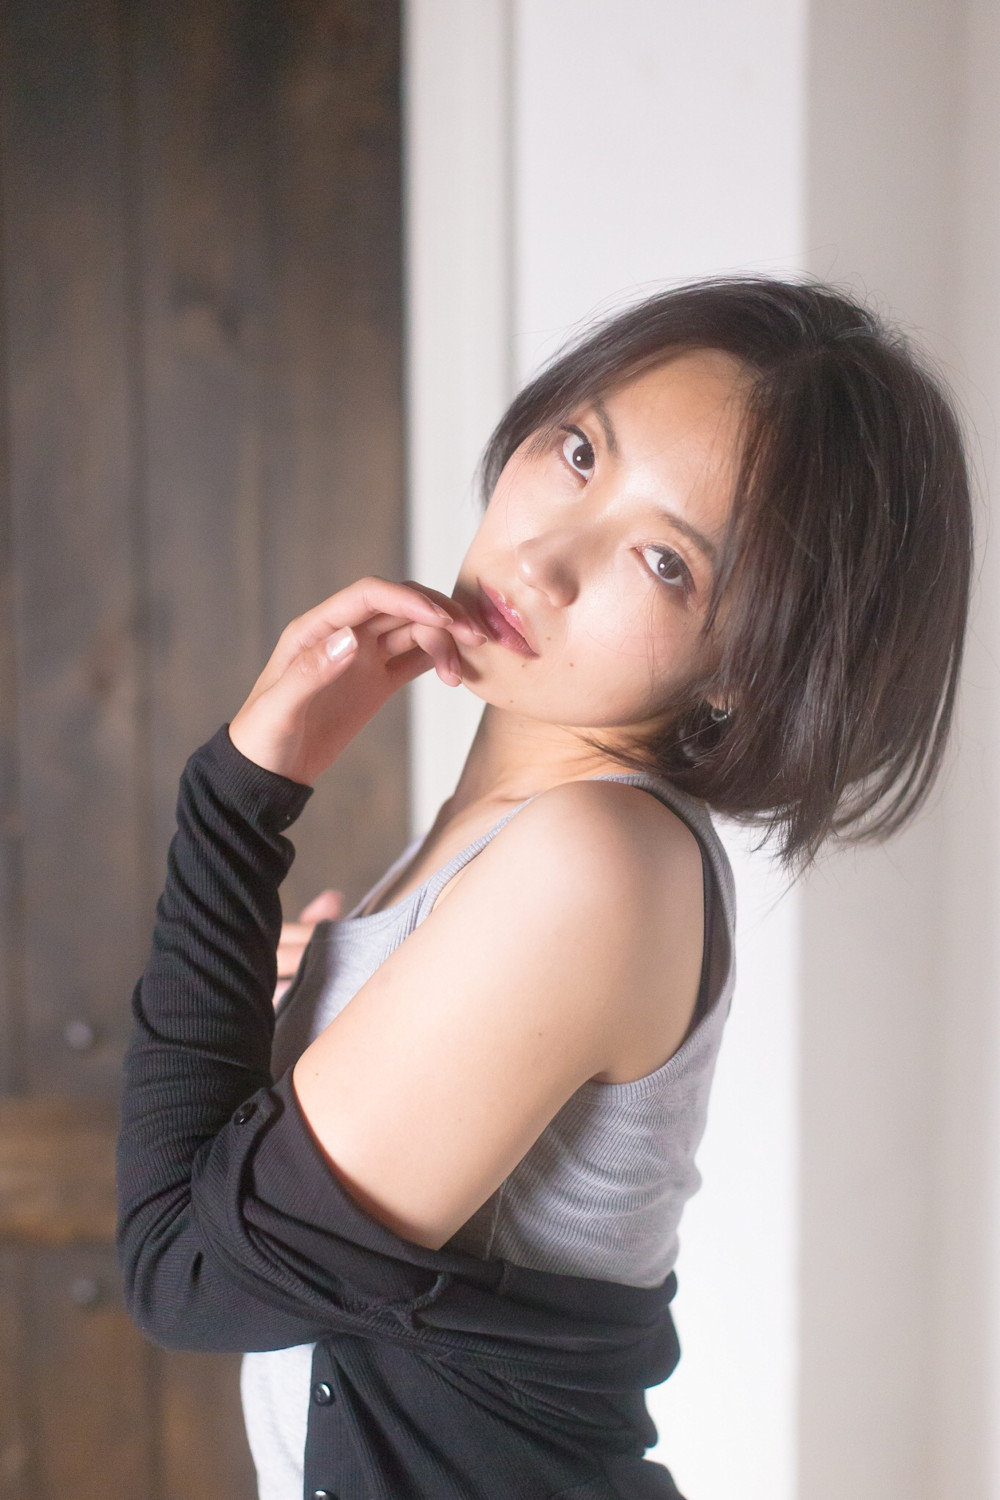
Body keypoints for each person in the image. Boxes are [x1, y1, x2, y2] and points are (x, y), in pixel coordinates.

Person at [116, 274, 974, 1500]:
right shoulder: (503, 838)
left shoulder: (596, 859)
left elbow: (184, 1275)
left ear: (748, 667)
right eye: (579, 452)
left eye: (665, 562)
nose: (545, 557)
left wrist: (235, 801)